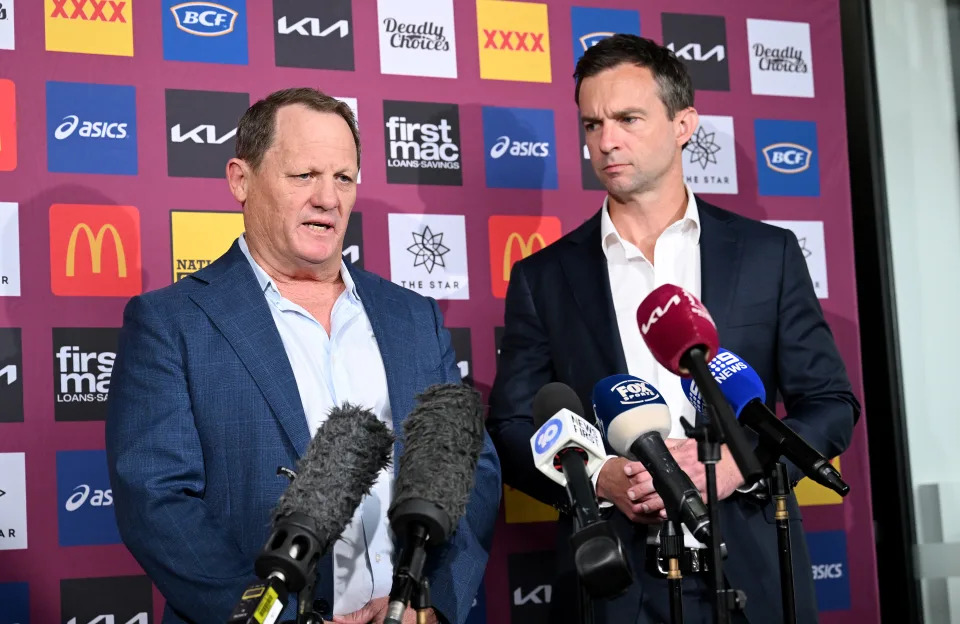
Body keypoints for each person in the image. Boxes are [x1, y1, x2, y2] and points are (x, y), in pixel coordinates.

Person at [487, 35, 860, 624]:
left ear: (684, 123)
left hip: (754, 579)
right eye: (592, 124)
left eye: (629, 118)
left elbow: (831, 406)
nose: (606, 141)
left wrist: (740, 465)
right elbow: (510, 427)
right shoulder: (544, 277)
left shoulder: (768, 255)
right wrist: (601, 478)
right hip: (615, 588)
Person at [106, 88, 501, 624]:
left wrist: (430, 605)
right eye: (303, 176)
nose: (327, 198)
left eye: (343, 177)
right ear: (240, 180)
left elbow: (469, 465)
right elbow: (156, 503)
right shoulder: (171, 322)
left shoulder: (413, 316)